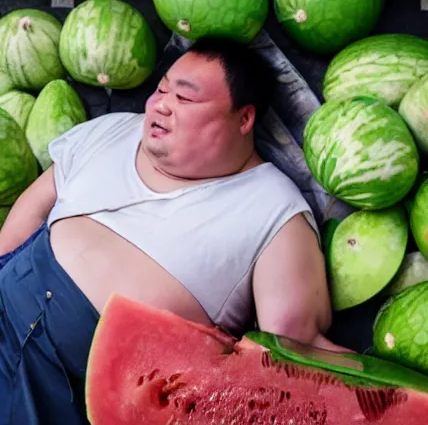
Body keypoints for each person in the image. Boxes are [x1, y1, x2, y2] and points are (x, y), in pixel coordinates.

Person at [0, 37, 341, 425]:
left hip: (75, 381)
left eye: (185, 99)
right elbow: (40, 198)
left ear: (243, 119)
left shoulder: (274, 212)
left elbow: (294, 354)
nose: (160, 104)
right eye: (161, 90)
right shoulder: (110, 130)